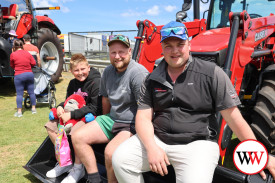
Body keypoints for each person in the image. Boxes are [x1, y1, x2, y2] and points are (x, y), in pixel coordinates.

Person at [112, 21, 275, 183]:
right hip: (159, 139)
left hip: (198, 144)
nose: (174, 51)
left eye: (180, 44)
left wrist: (260, 155)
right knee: (121, 160)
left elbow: (234, 119)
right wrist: (152, 147)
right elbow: (143, 118)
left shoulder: (212, 74)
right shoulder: (152, 78)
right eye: (168, 45)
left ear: (189, 45)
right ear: (162, 48)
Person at [70, 35, 149, 183]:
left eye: (121, 52)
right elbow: (105, 99)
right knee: (77, 136)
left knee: (110, 153)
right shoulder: (107, 72)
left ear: (130, 51)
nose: (117, 56)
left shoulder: (138, 74)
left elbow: (145, 109)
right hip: (113, 119)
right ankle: (94, 179)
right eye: (113, 52)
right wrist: (103, 121)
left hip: (130, 123)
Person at [45, 53, 101, 181]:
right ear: (71, 71)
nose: (80, 73)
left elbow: (94, 107)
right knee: (51, 126)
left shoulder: (96, 82)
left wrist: (71, 114)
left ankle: (78, 168)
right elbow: (68, 101)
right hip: (72, 116)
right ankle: (65, 162)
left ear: (89, 67)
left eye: (83, 69)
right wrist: (60, 106)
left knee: (77, 133)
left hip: (87, 117)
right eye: (76, 70)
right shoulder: (72, 83)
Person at [10, 39, 36, 117]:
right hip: (29, 74)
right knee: (31, 92)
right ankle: (34, 109)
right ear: (22, 45)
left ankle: (19, 112)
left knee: (19, 94)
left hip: (19, 75)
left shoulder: (13, 54)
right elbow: (33, 63)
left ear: (15, 46)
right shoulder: (27, 53)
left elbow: (12, 65)